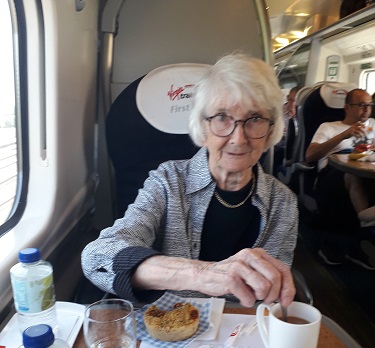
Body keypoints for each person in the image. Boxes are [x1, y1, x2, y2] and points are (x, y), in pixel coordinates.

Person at [81, 54, 298, 308]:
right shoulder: (168, 182)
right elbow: (97, 258)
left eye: (255, 119)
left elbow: (272, 300)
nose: (238, 138)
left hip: (243, 331)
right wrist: (202, 275)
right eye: (222, 117)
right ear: (202, 128)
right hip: (170, 326)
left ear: (271, 130)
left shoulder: (283, 203)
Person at [305, 88, 375, 269]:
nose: (366, 109)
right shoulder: (328, 127)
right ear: (347, 107)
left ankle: (360, 236)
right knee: (352, 174)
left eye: (369, 105)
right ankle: (366, 223)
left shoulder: (373, 124)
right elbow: (310, 156)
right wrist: (344, 135)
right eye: (361, 105)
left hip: (367, 169)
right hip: (332, 173)